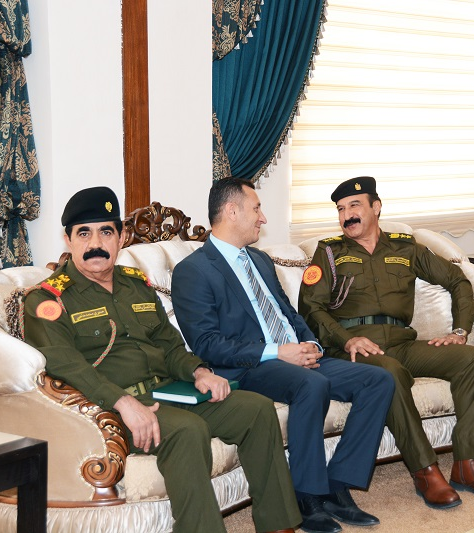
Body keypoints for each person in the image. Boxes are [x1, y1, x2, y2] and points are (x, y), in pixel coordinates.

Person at [23, 186, 300, 533]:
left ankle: (278, 526)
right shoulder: (49, 299)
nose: (96, 243)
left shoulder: (136, 285)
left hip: (167, 391)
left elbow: (169, 344)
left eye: (106, 232)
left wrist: (199, 372)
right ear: (68, 240)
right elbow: (66, 366)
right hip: (109, 407)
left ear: (120, 237)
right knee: (187, 430)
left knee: (256, 409)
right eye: (84, 233)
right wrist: (123, 402)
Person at [171, 178, 394, 533]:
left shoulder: (260, 260)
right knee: (311, 385)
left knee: (378, 380)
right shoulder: (193, 271)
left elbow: (288, 313)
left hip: (295, 356)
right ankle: (307, 496)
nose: (262, 218)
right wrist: (279, 352)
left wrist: (311, 345)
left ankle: (337, 485)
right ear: (232, 211)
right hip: (249, 367)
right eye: (256, 208)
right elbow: (207, 344)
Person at [298, 176, 474, 510]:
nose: (346, 215)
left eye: (354, 206)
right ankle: (425, 470)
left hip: (402, 341)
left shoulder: (406, 247)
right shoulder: (329, 252)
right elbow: (310, 308)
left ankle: (468, 465)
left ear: (376, 207)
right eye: (340, 209)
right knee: (389, 372)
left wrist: (459, 331)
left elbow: (457, 280)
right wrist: (347, 339)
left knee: (471, 359)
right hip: (356, 348)